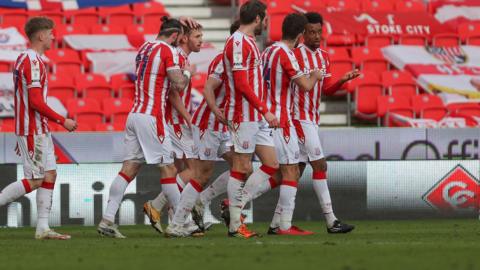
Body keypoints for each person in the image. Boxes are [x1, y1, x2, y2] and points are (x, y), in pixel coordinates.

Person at [97, 16, 195, 238]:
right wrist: (187, 70)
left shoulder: (143, 47)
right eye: (178, 38)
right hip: (152, 116)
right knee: (169, 169)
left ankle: (107, 220)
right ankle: (181, 223)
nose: (178, 42)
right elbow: (179, 84)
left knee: (128, 169)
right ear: (173, 36)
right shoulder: (167, 51)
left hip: (134, 115)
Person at [0, 17, 77, 240]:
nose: (54, 37)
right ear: (41, 36)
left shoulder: (30, 59)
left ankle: (42, 228)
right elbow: (34, 101)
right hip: (33, 130)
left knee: (50, 174)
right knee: (35, 180)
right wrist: (63, 121)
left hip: (37, 129)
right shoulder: (32, 61)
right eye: (51, 33)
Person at [162, 21, 241, 237]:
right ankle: (177, 220)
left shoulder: (239, 59)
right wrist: (205, 113)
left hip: (221, 125)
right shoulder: (221, 59)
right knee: (197, 174)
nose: (201, 40)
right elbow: (200, 90)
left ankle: (198, 206)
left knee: (240, 168)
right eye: (197, 36)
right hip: (204, 123)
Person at [286, 12, 358, 234]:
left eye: (319, 32)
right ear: (303, 33)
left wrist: (341, 81)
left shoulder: (324, 57)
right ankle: (331, 220)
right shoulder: (294, 55)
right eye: (311, 32)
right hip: (298, 118)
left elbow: (325, 90)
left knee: (292, 173)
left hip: (312, 119)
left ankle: (277, 220)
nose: (316, 36)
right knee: (320, 165)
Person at [262, 13, 326, 235]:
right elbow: (306, 86)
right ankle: (284, 226)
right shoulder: (286, 54)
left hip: (266, 116)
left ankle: (274, 222)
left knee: (275, 170)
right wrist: (316, 76)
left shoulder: (268, 50)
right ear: (300, 35)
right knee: (290, 172)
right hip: (282, 119)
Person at [222, 0, 280, 238]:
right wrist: (265, 109)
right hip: (243, 113)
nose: (266, 23)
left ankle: (235, 207)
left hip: (254, 115)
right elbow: (242, 84)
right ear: (257, 18)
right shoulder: (237, 42)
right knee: (242, 166)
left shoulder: (248, 42)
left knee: (272, 164)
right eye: (265, 19)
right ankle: (235, 225)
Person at [144, 23, 206, 236]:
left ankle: (177, 218)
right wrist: (189, 117)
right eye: (197, 36)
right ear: (183, 38)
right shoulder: (177, 56)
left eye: (202, 36)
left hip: (176, 121)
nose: (201, 40)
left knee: (182, 171)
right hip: (175, 122)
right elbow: (172, 94)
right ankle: (158, 206)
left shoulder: (183, 58)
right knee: (194, 170)